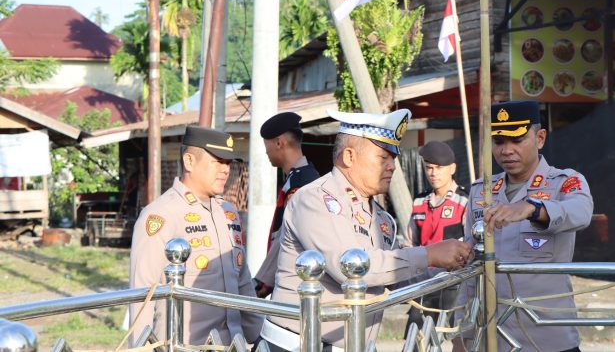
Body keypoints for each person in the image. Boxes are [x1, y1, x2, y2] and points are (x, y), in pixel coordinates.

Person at [261, 108, 473, 352]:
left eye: (393, 159)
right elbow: (350, 269)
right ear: (349, 156)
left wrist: (451, 264)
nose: (392, 167)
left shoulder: (381, 218)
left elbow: (394, 277)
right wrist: (429, 254)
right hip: (296, 345)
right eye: (383, 158)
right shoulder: (315, 199)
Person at [457, 100, 593, 352]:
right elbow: (471, 269)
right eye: (499, 141)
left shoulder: (563, 182)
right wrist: (462, 332)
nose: (506, 150)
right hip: (493, 339)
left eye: (517, 140)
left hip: (548, 339)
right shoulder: (481, 191)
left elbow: (581, 212)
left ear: (540, 138)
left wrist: (533, 209)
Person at [129, 126, 264, 346]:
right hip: (185, 345)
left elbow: (242, 283)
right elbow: (142, 295)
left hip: (232, 345)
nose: (225, 169)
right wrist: (140, 348)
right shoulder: (161, 214)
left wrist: (259, 337)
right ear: (189, 161)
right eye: (217, 161)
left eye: (228, 163)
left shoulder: (228, 213)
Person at [253, 112, 320, 297]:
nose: (266, 152)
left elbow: (286, 235)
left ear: (279, 143)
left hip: (295, 284)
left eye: (266, 145)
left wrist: (263, 280)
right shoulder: (302, 177)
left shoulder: (302, 183)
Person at [405, 141, 468, 332]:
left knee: (456, 335)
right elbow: (410, 243)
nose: (433, 173)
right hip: (423, 281)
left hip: (454, 281)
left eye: (439, 168)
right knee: (416, 335)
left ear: (452, 168)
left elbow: (471, 245)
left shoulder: (465, 201)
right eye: (429, 168)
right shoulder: (419, 201)